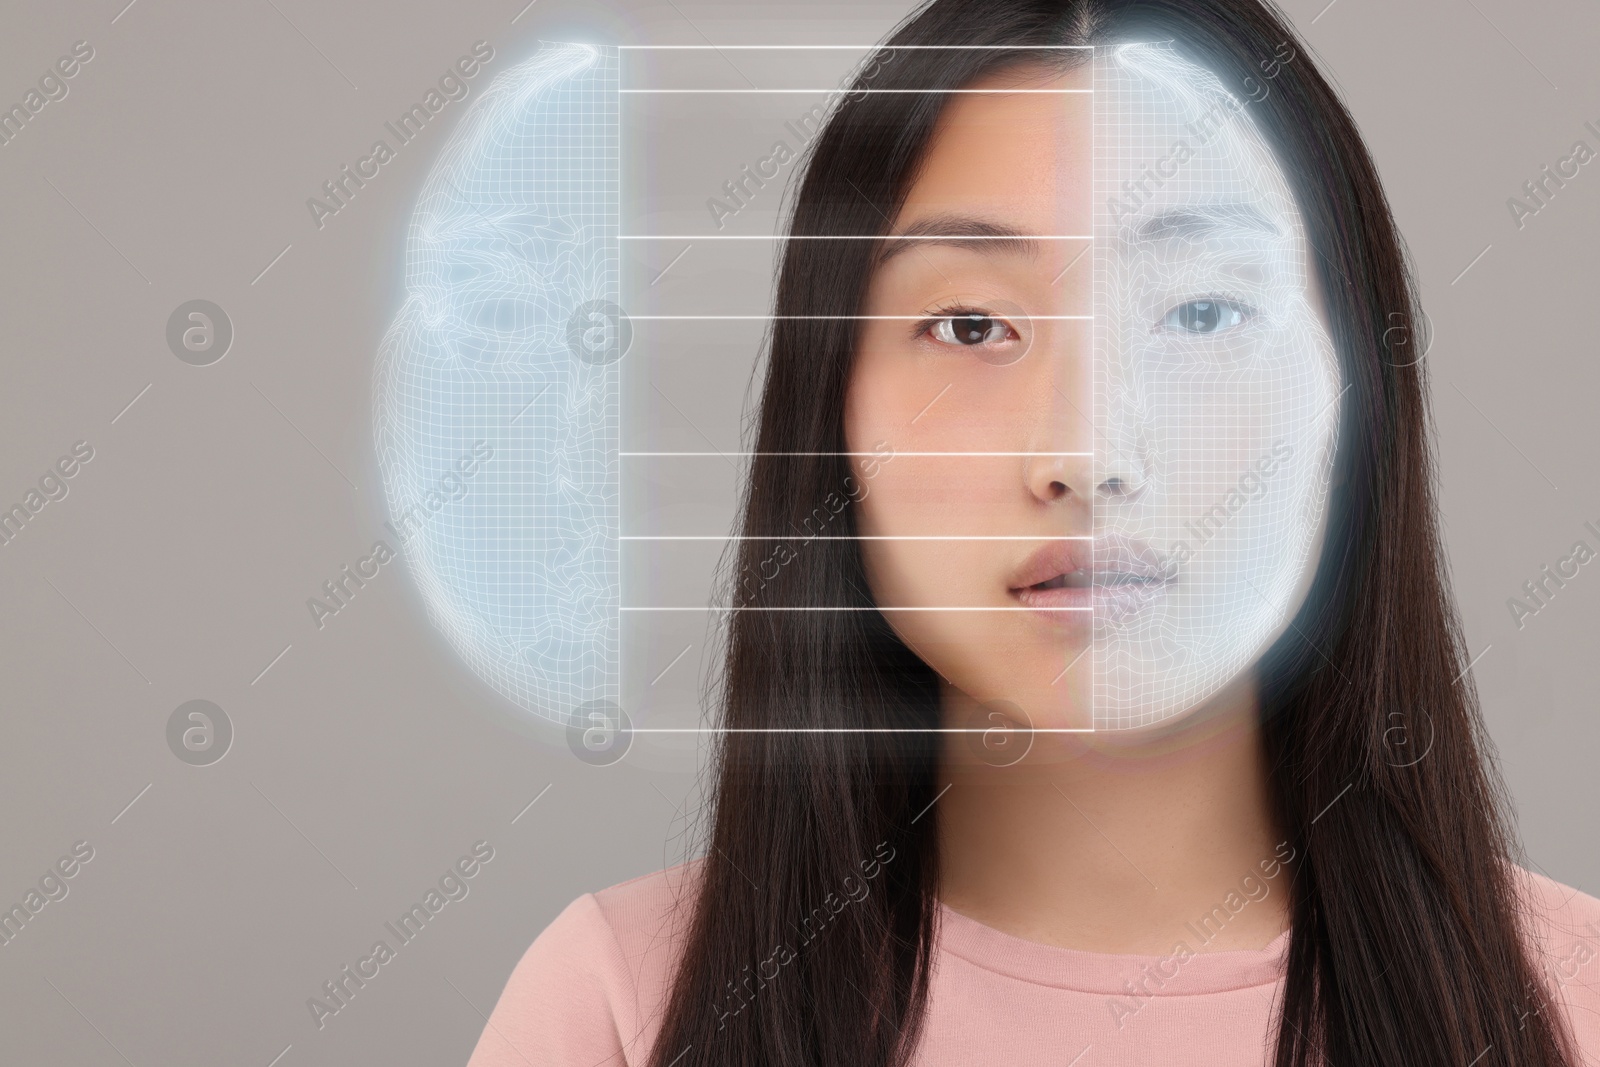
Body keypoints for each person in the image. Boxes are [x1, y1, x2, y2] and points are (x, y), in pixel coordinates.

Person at [467, 1, 1600, 1064]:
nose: (1084, 451)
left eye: (1201, 311)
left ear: (1355, 396)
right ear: (830, 414)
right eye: (970, 324)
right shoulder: (620, 1006)